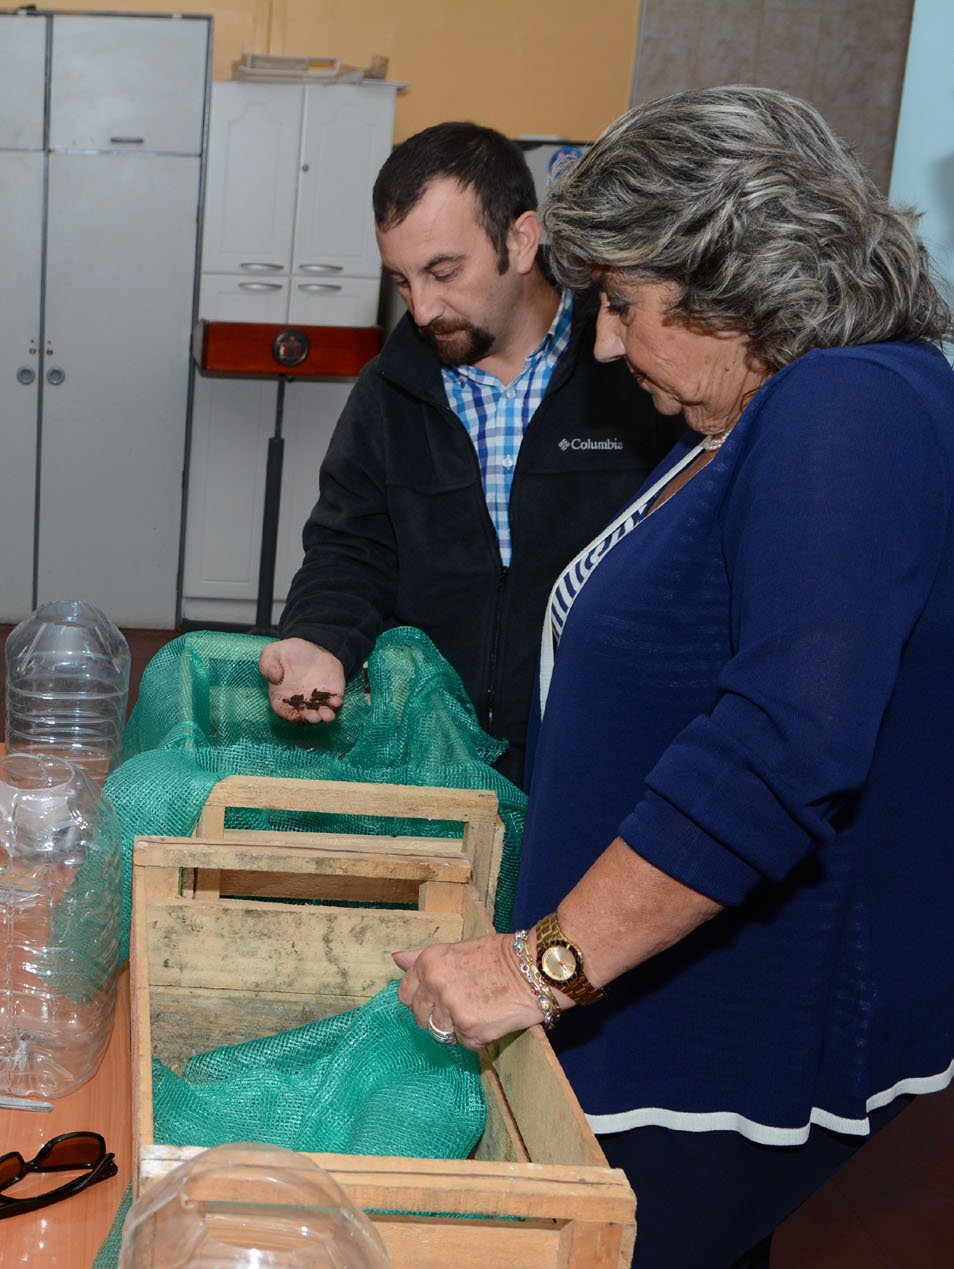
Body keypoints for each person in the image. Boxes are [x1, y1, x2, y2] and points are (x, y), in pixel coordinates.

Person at [393, 88, 954, 1269]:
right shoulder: (785, 405)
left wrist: (544, 964)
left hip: (752, 1017)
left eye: (623, 304)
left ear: (733, 272)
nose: (609, 346)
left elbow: (783, 743)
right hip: (685, 993)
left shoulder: (849, 412)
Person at [260, 121, 680, 784]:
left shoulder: (633, 373)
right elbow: (350, 545)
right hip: (435, 751)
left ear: (520, 239)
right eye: (400, 281)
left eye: (443, 272)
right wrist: (319, 639)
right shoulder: (390, 389)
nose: (422, 311)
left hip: (596, 749)